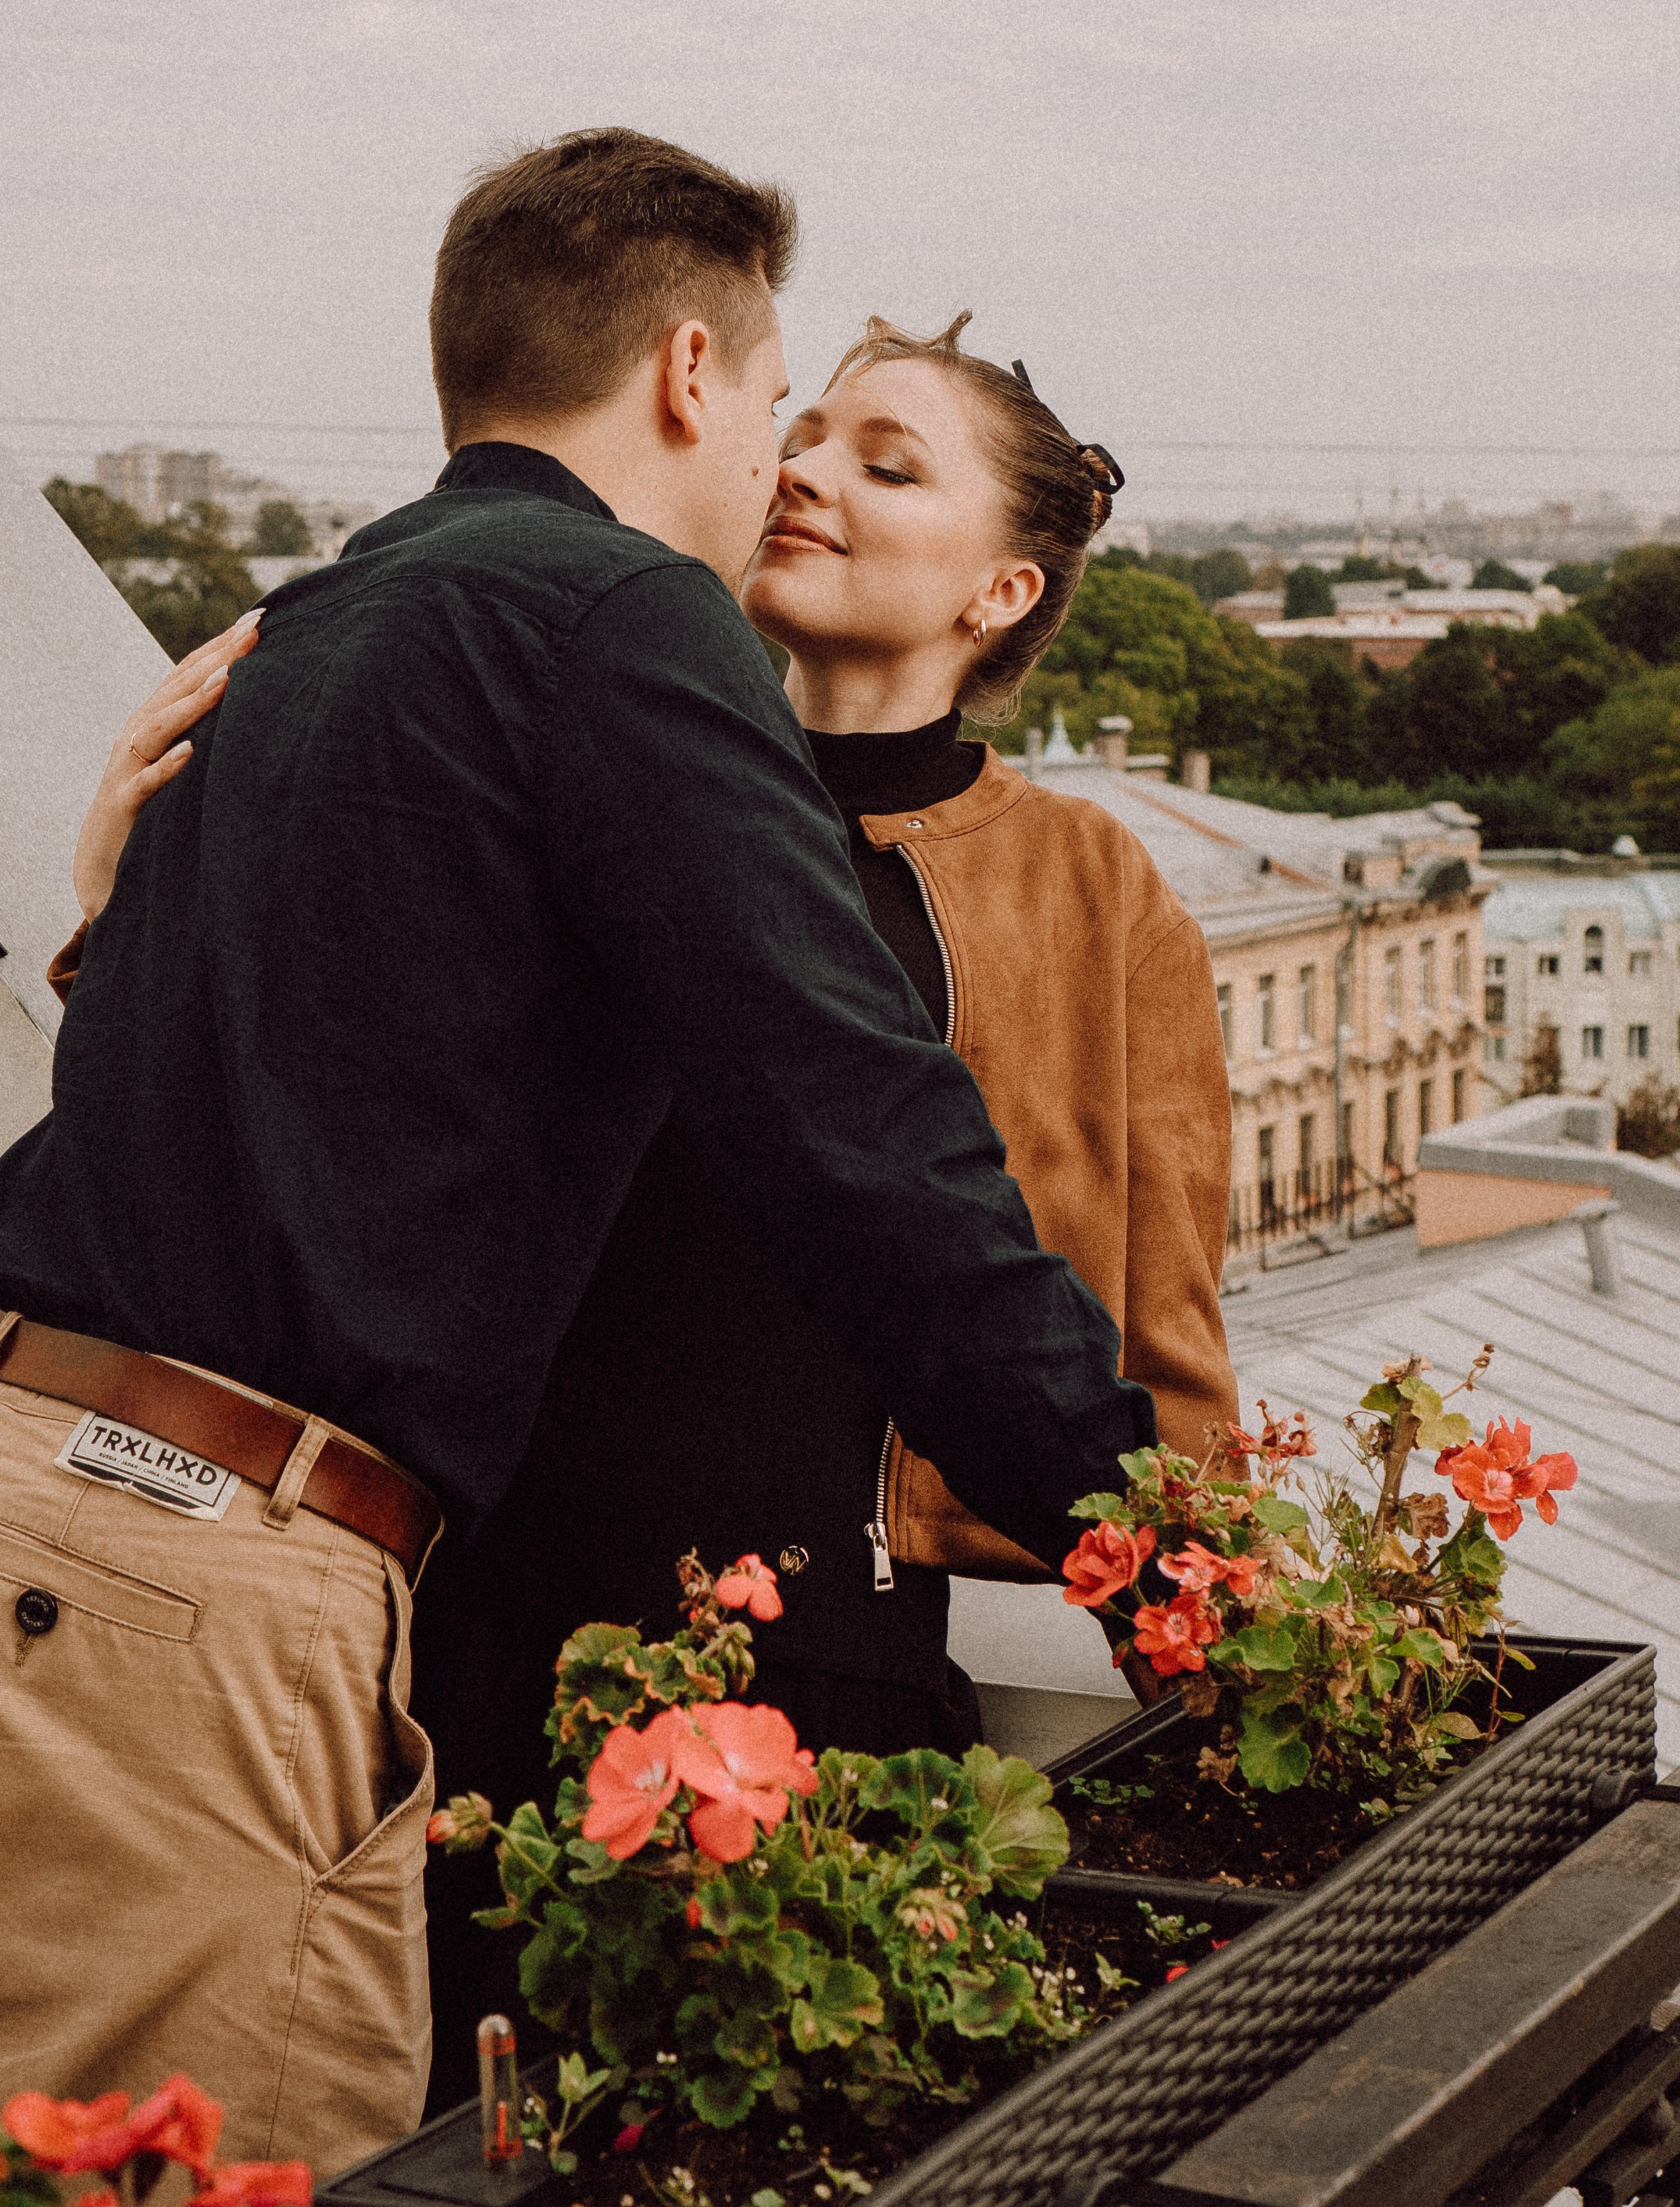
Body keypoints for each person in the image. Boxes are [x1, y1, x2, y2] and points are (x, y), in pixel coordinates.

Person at [0, 132, 1155, 2181]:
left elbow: (312, 1072)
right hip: (168, 1559)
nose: (779, 467)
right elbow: (864, 1137)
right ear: (688, 374)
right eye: (780, 401)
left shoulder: (330, 613)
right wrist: (1157, 1542)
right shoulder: (619, 616)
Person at [65, 320, 1237, 2114]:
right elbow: (328, 1095)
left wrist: (1217, 1635)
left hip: (825, 1650)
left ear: (1001, 590)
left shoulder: (1094, 891)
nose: (804, 473)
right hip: (482, 1620)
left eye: (885, 463)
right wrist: (122, 903)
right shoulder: (598, 758)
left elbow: (1158, 1321)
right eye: (808, 432)